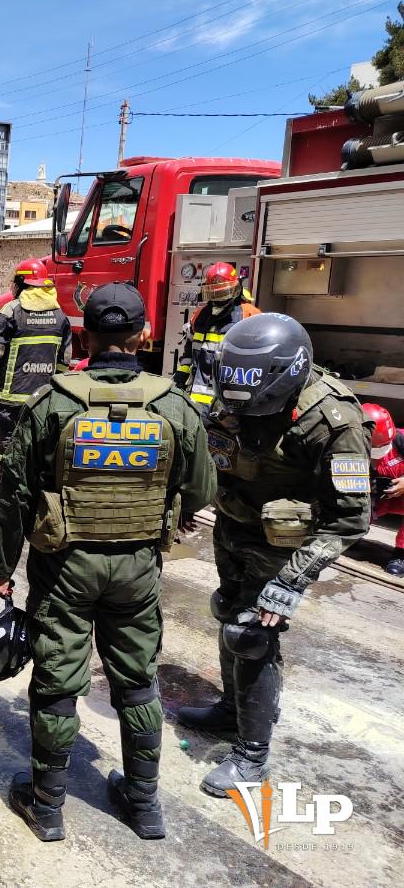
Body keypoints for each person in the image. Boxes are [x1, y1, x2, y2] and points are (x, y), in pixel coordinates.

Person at [0, 282, 215, 842]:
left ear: (83, 334)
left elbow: (14, 496)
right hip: (137, 568)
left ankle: (47, 805)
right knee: (137, 684)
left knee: (58, 681)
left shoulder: (53, 403)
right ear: (142, 335)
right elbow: (204, 489)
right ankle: (143, 805)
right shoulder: (172, 405)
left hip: (63, 569)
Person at [178, 313, 371, 795]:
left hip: (284, 548)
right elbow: (213, 455)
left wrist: (290, 583)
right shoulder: (234, 391)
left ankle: (252, 757)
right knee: (228, 614)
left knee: (252, 636)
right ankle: (231, 711)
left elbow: (350, 518)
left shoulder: (334, 420)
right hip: (233, 527)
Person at [0, 258, 71, 490]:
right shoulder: (60, 315)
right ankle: (35, 482)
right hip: (44, 396)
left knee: (8, 438)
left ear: (21, 283)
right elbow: (65, 358)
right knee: (38, 439)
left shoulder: (11, 311)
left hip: (11, 394)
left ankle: (4, 481)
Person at [173, 262, 259, 412]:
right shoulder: (200, 314)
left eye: (222, 293)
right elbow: (190, 348)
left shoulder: (249, 315)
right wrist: (182, 373)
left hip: (228, 403)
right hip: (196, 400)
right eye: (213, 293)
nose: (217, 298)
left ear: (235, 289)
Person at [361, 403, 404, 576]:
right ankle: (350, 534)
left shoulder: (401, 439)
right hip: (374, 495)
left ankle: (401, 554)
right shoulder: (347, 442)